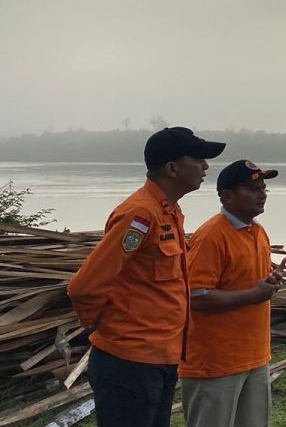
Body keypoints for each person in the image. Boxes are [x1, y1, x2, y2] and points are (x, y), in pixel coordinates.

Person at [68, 127, 225, 427]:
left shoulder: (169, 212)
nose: (206, 167)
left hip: (160, 358)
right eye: (199, 159)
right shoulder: (139, 215)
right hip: (129, 363)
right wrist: (110, 328)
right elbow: (84, 286)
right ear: (172, 168)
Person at [179, 160, 284, 427]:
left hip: (255, 355)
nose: (261, 194)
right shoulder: (212, 236)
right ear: (227, 196)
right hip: (214, 363)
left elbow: (248, 282)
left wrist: (270, 282)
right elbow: (195, 296)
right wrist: (253, 295)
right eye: (252, 188)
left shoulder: (258, 232)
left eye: (263, 188)